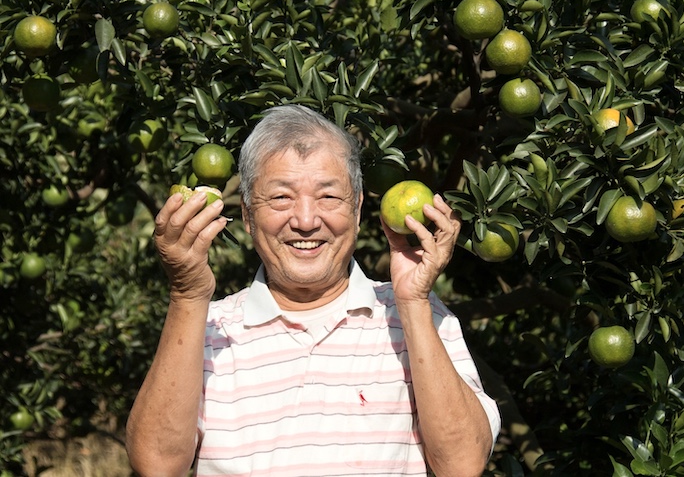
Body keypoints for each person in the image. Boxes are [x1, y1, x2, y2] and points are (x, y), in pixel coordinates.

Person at [125, 105, 501, 476]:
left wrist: (414, 302)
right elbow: (156, 465)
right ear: (247, 215)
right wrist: (188, 297)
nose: (306, 221)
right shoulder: (206, 328)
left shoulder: (418, 316)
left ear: (356, 211)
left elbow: (462, 465)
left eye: (328, 197)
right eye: (281, 197)